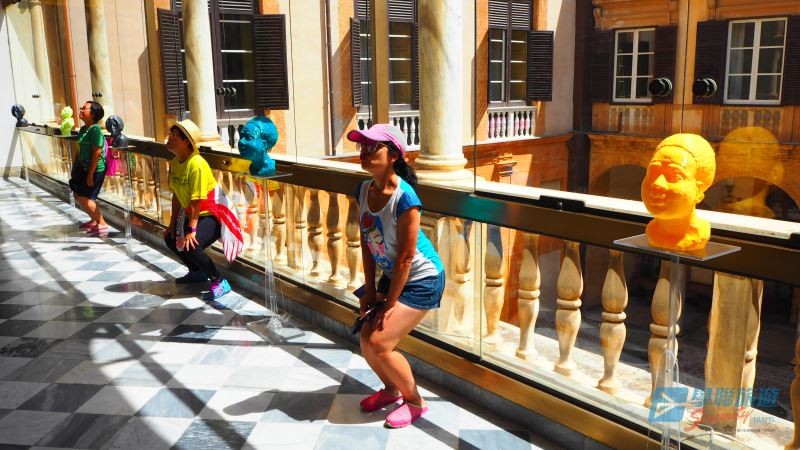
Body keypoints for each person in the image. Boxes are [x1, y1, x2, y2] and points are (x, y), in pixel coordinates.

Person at [348, 124, 445, 428]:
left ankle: (415, 402)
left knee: (379, 342)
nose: (364, 152)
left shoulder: (406, 199)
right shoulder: (363, 189)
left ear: (393, 156)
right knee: (366, 338)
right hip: (394, 275)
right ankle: (392, 389)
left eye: (372, 147)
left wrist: (388, 304)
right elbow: (367, 240)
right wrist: (369, 290)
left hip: (423, 279)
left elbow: (405, 258)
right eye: (362, 146)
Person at [163, 120, 244, 299]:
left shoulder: (197, 163)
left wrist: (191, 230)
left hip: (212, 215)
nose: (169, 138)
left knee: (192, 245)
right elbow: (176, 196)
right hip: (192, 213)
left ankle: (219, 281)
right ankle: (197, 271)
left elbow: (197, 200)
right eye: (170, 134)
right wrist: (172, 225)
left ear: (186, 141)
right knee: (170, 238)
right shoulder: (175, 163)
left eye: (174, 136)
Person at [69, 101, 108, 235]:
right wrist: (75, 166)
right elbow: (80, 150)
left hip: (95, 169)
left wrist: (90, 174)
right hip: (83, 168)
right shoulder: (83, 129)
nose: (81, 110)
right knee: (78, 194)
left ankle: (102, 222)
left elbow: (97, 152)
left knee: (84, 197)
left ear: (93, 114)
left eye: (84, 108)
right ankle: (94, 220)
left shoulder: (95, 130)